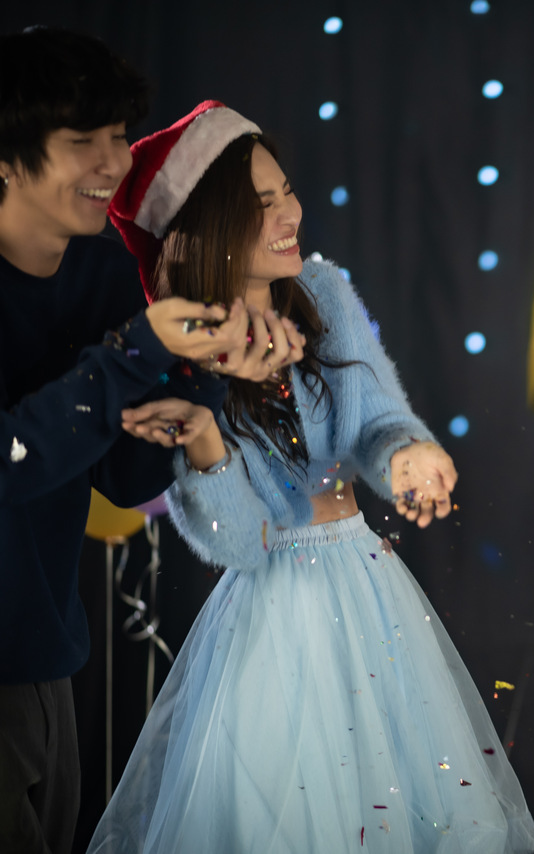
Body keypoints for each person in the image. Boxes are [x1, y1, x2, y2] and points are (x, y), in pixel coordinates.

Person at [87, 101, 534, 853]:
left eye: (286, 191)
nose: (289, 214)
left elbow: (377, 420)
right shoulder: (176, 359)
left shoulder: (324, 292)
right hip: (274, 617)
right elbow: (239, 541)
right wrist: (205, 437)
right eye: (260, 204)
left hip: (369, 587)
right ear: (205, 229)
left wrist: (406, 455)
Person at [0, 29, 288, 854]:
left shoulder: (99, 276)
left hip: (49, 658)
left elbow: (124, 480)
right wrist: (136, 352)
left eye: (119, 135)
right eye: (80, 140)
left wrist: (200, 369)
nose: (110, 163)